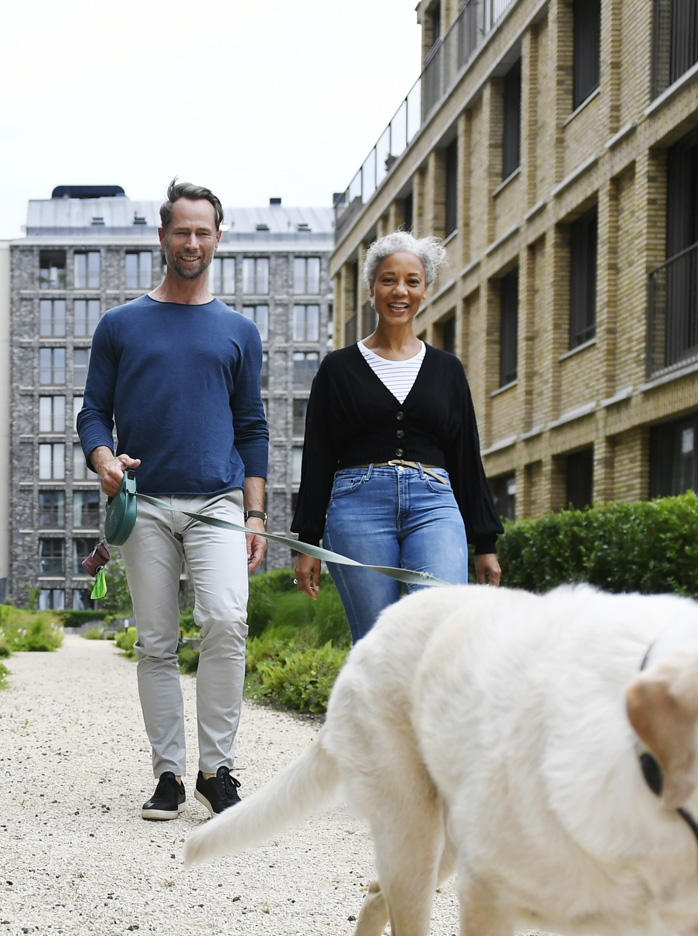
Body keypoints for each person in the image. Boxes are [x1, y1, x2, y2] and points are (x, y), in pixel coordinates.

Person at [77, 179, 268, 821]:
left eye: (203, 231)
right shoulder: (121, 325)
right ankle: (168, 775)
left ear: (217, 239)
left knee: (226, 621)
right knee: (157, 642)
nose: (192, 241)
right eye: (180, 230)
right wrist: (104, 459)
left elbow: (253, 428)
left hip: (219, 502)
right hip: (146, 504)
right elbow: (92, 414)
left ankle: (217, 770)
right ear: (162, 237)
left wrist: (257, 512)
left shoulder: (238, 332)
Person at [291, 231, 501, 642]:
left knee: (440, 634)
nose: (399, 291)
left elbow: (465, 458)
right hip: (357, 508)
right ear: (372, 288)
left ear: (425, 290)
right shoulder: (338, 368)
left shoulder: (447, 370)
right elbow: (317, 456)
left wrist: (485, 543)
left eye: (412, 281)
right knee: (377, 643)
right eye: (388, 279)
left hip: (435, 507)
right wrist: (307, 543)